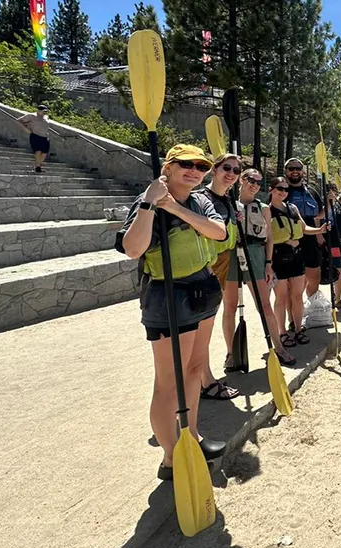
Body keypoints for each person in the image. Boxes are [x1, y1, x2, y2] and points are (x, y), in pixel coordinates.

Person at [115, 144, 228, 480]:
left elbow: (218, 233)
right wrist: (152, 202)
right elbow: (133, 249)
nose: (194, 171)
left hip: (202, 291)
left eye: (201, 166)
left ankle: (190, 437)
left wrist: (175, 208)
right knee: (168, 384)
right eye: (186, 165)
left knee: (194, 370)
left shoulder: (200, 200)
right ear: (168, 166)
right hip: (168, 298)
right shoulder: (146, 201)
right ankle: (170, 458)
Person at [192, 153, 243, 400]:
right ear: (214, 169)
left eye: (236, 171)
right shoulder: (201, 199)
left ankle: (202, 378)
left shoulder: (227, 200)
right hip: (206, 266)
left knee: (205, 326)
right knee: (202, 327)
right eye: (227, 168)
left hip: (221, 264)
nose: (231, 174)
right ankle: (206, 381)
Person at [238, 168, 296, 366]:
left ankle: (278, 347)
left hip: (255, 253)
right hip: (232, 255)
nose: (254, 184)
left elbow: (269, 237)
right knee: (230, 308)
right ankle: (232, 355)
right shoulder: (229, 203)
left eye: (258, 181)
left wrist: (268, 264)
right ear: (241, 180)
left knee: (264, 305)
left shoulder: (263, 207)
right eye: (250, 180)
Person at [266, 176, 328, 349]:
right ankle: (282, 332)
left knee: (297, 296)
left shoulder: (292, 208)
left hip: (296, 256)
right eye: (280, 188)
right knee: (281, 297)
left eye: (286, 189)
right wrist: (268, 263)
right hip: (279, 258)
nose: (284, 192)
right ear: (271, 189)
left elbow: (304, 228)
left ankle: (299, 328)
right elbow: (266, 237)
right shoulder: (266, 210)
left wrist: (319, 230)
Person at [282, 158, 325, 300]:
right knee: (292, 285)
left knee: (314, 277)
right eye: (291, 168)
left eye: (298, 168)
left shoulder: (311, 192)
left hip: (310, 240)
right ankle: (294, 319)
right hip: (289, 242)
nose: (295, 171)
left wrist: (319, 233)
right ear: (286, 171)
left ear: (303, 172)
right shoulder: (281, 191)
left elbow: (318, 215)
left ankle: (311, 308)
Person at [17, 104, 51, 172]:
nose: (44, 113)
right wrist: (26, 129)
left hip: (45, 136)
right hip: (36, 135)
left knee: (44, 153)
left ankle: (37, 164)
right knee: (38, 151)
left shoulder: (46, 117)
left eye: (45, 111)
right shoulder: (31, 116)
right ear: (38, 110)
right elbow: (19, 120)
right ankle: (38, 167)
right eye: (43, 111)